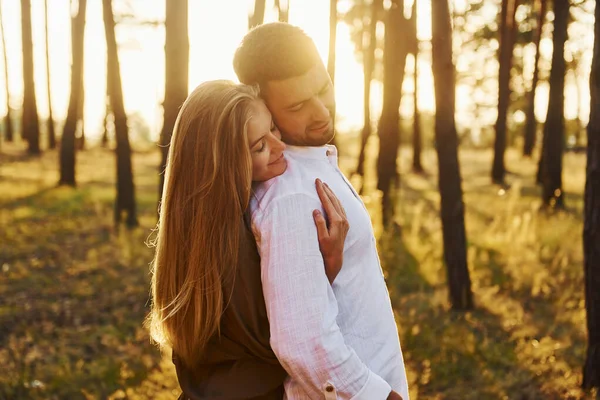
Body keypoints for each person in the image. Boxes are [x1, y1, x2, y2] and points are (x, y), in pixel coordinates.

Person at [234, 22, 409, 400]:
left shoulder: (314, 163)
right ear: (264, 108)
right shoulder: (290, 194)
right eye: (297, 106)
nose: (321, 111)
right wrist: (378, 396)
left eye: (323, 87)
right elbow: (302, 341)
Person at [146, 81, 350, 399]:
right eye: (259, 147)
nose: (280, 146)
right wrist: (330, 266)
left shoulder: (191, 231)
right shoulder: (233, 243)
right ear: (223, 165)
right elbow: (286, 343)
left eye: (273, 129)